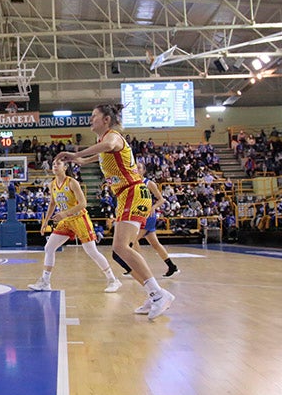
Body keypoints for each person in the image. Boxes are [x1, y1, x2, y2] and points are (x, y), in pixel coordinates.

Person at [54, 104, 175, 320]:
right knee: (119, 251)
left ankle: (158, 294)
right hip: (123, 196)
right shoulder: (103, 144)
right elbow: (95, 156)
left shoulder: (113, 137)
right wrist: (78, 160)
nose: (90, 119)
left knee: (120, 247)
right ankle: (153, 293)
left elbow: (108, 146)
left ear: (106, 120)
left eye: (93, 116)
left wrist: (75, 153)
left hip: (133, 191)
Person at [27, 158, 122, 293]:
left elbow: (83, 203)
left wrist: (65, 214)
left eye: (58, 164)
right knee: (49, 247)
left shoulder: (72, 182)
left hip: (79, 219)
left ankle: (113, 280)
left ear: (65, 167)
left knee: (91, 251)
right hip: (66, 221)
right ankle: (45, 282)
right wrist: (45, 221)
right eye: (53, 164)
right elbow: (53, 204)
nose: (55, 166)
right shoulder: (52, 184)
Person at [137, 162, 180, 278]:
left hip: (148, 216)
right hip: (139, 215)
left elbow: (161, 200)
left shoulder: (149, 183)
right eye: (135, 167)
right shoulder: (134, 183)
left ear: (144, 170)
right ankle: (171, 265)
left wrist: (153, 207)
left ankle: (137, 267)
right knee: (155, 244)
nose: (136, 169)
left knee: (132, 241)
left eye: (139, 167)